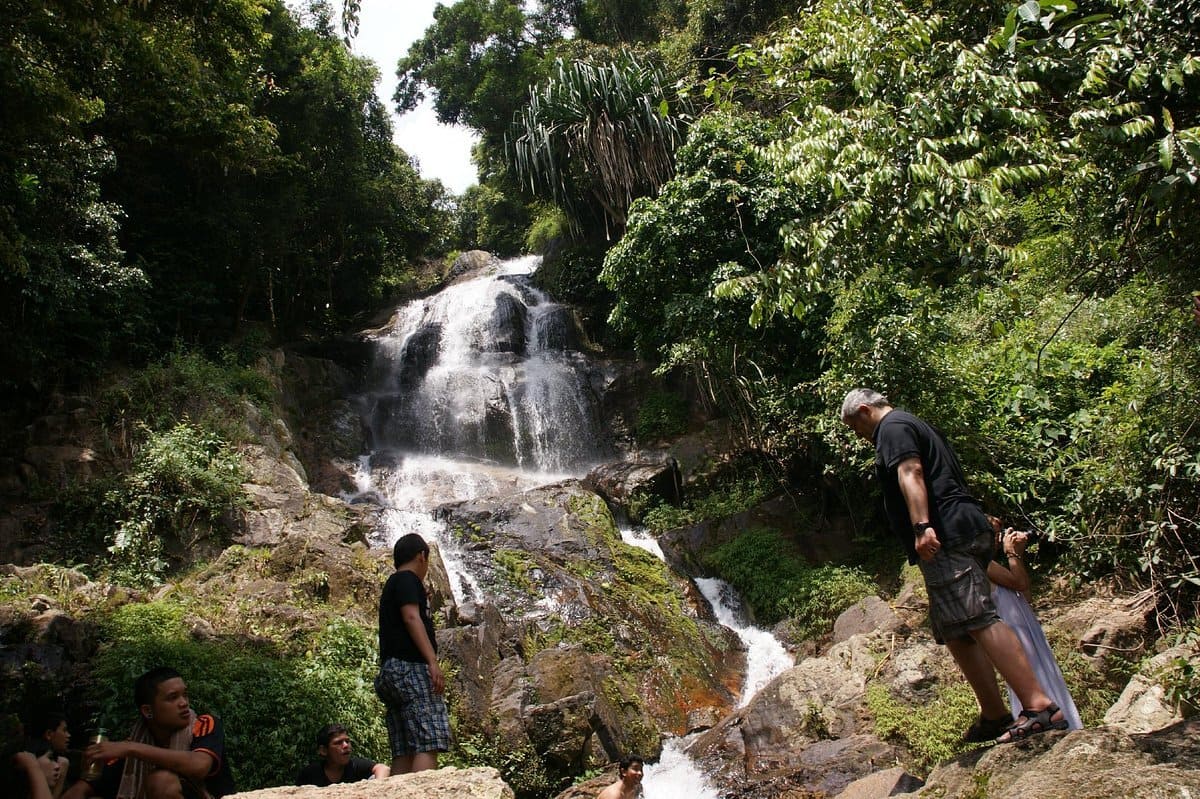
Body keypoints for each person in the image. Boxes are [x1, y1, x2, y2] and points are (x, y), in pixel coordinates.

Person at [840, 389, 1069, 742]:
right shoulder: (913, 424)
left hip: (946, 534)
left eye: (856, 427)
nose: (861, 436)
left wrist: (921, 526)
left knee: (976, 618)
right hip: (963, 529)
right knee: (955, 630)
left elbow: (911, 471)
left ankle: (1040, 707)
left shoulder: (892, 427)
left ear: (865, 410)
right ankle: (994, 714)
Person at [61, 667, 234, 799]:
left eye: (185, 695)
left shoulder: (203, 724)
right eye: (172, 698)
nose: (183, 703)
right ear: (148, 711)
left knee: (161, 781)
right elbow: (81, 789)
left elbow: (199, 766)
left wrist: (133, 749)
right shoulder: (134, 743)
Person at [988, 526, 1083, 731]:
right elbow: (1020, 583)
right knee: (1034, 680)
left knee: (1045, 676)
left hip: (1028, 633)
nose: (998, 539)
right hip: (1014, 637)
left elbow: (1025, 595)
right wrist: (1012, 553)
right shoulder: (983, 564)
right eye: (994, 533)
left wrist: (1017, 556)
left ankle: (1064, 724)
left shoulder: (995, 565)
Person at [374, 533, 450, 774]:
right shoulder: (408, 579)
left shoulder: (394, 582)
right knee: (428, 740)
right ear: (422, 556)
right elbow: (410, 617)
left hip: (391, 672)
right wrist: (432, 661)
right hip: (411, 668)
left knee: (404, 748)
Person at [295, 723, 389, 786]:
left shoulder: (354, 765)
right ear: (323, 750)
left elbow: (383, 768)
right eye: (338, 743)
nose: (345, 745)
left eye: (347, 741)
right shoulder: (310, 774)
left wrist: (377, 787)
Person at [33, 712, 72, 798]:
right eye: (64, 730)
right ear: (49, 734)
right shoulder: (35, 762)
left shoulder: (62, 762)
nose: (68, 735)